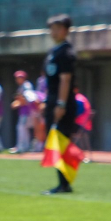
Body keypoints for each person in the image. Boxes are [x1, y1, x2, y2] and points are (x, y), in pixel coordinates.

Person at [40, 13, 79, 195]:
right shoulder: (53, 51)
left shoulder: (66, 52)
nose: (53, 32)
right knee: (55, 142)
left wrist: (61, 104)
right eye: (51, 29)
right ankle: (63, 183)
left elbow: (65, 80)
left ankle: (64, 184)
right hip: (53, 101)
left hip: (61, 103)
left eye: (56, 28)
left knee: (61, 142)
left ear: (65, 30)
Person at [9, 70, 39, 154]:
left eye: (20, 77)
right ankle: (23, 147)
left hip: (27, 111)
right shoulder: (22, 86)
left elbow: (28, 99)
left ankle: (22, 147)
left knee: (21, 128)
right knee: (22, 129)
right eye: (17, 77)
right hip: (23, 111)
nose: (18, 79)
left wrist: (17, 103)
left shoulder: (26, 86)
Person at [72, 87, 94, 157]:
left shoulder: (78, 99)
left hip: (80, 125)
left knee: (64, 129)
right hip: (84, 125)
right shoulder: (81, 98)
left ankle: (68, 155)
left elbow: (77, 113)